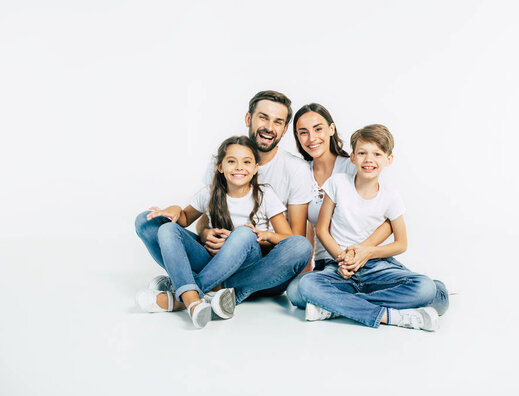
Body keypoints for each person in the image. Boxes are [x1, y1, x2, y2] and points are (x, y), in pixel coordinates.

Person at [134, 136, 303, 329]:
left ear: (256, 168)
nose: (239, 167)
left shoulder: (265, 195)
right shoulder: (209, 193)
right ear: (220, 167)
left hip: (249, 266)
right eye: (232, 161)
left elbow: (289, 239)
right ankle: (196, 295)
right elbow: (183, 220)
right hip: (212, 263)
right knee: (153, 223)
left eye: (246, 162)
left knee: (245, 234)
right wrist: (174, 209)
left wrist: (263, 235)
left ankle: (186, 294)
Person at [297, 124, 449, 331]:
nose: (369, 159)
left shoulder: (391, 197)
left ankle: (337, 306)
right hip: (339, 266)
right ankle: (392, 315)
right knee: (301, 288)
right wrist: (343, 259)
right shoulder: (338, 183)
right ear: (352, 157)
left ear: (389, 160)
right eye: (362, 153)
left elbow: (401, 243)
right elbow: (322, 230)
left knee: (427, 288)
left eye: (377, 154)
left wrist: (367, 252)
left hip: (376, 266)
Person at [195, 91, 313, 299]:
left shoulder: (296, 169)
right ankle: (224, 291)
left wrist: (244, 241)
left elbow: (293, 239)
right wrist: (205, 233)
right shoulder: (223, 159)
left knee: (301, 246)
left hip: (266, 268)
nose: (269, 127)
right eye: (263, 117)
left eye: (277, 122)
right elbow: (205, 218)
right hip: (217, 259)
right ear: (249, 118)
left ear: (285, 129)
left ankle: (198, 289)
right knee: (151, 225)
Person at [285, 103, 393, 307]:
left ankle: (336, 305)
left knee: (433, 294)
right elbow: (309, 226)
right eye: (303, 132)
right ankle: (358, 303)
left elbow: (388, 217)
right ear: (297, 137)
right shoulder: (301, 173)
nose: (312, 138)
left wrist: (362, 252)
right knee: (295, 292)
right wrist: (306, 268)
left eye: (318, 129)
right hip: (328, 263)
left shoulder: (353, 164)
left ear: (331, 129)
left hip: (364, 260)